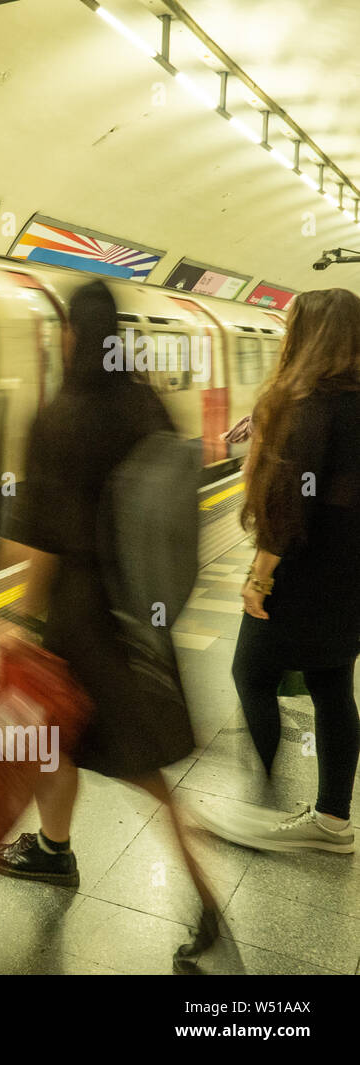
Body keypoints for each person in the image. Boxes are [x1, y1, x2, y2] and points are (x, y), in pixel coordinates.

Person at [0, 280, 219, 959]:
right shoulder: (144, 400)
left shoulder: (61, 415)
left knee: (96, 750)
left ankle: (201, 892)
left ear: (74, 335)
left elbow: (43, 542)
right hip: (137, 613)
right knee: (78, 748)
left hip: (83, 621)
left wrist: (17, 619)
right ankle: (56, 848)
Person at [192, 288, 360, 852]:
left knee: (251, 672)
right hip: (350, 572)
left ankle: (258, 801)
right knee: (333, 682)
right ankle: (333, 820)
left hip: (308, 573)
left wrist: (260, 575)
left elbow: (290, 505)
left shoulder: (310, 405)